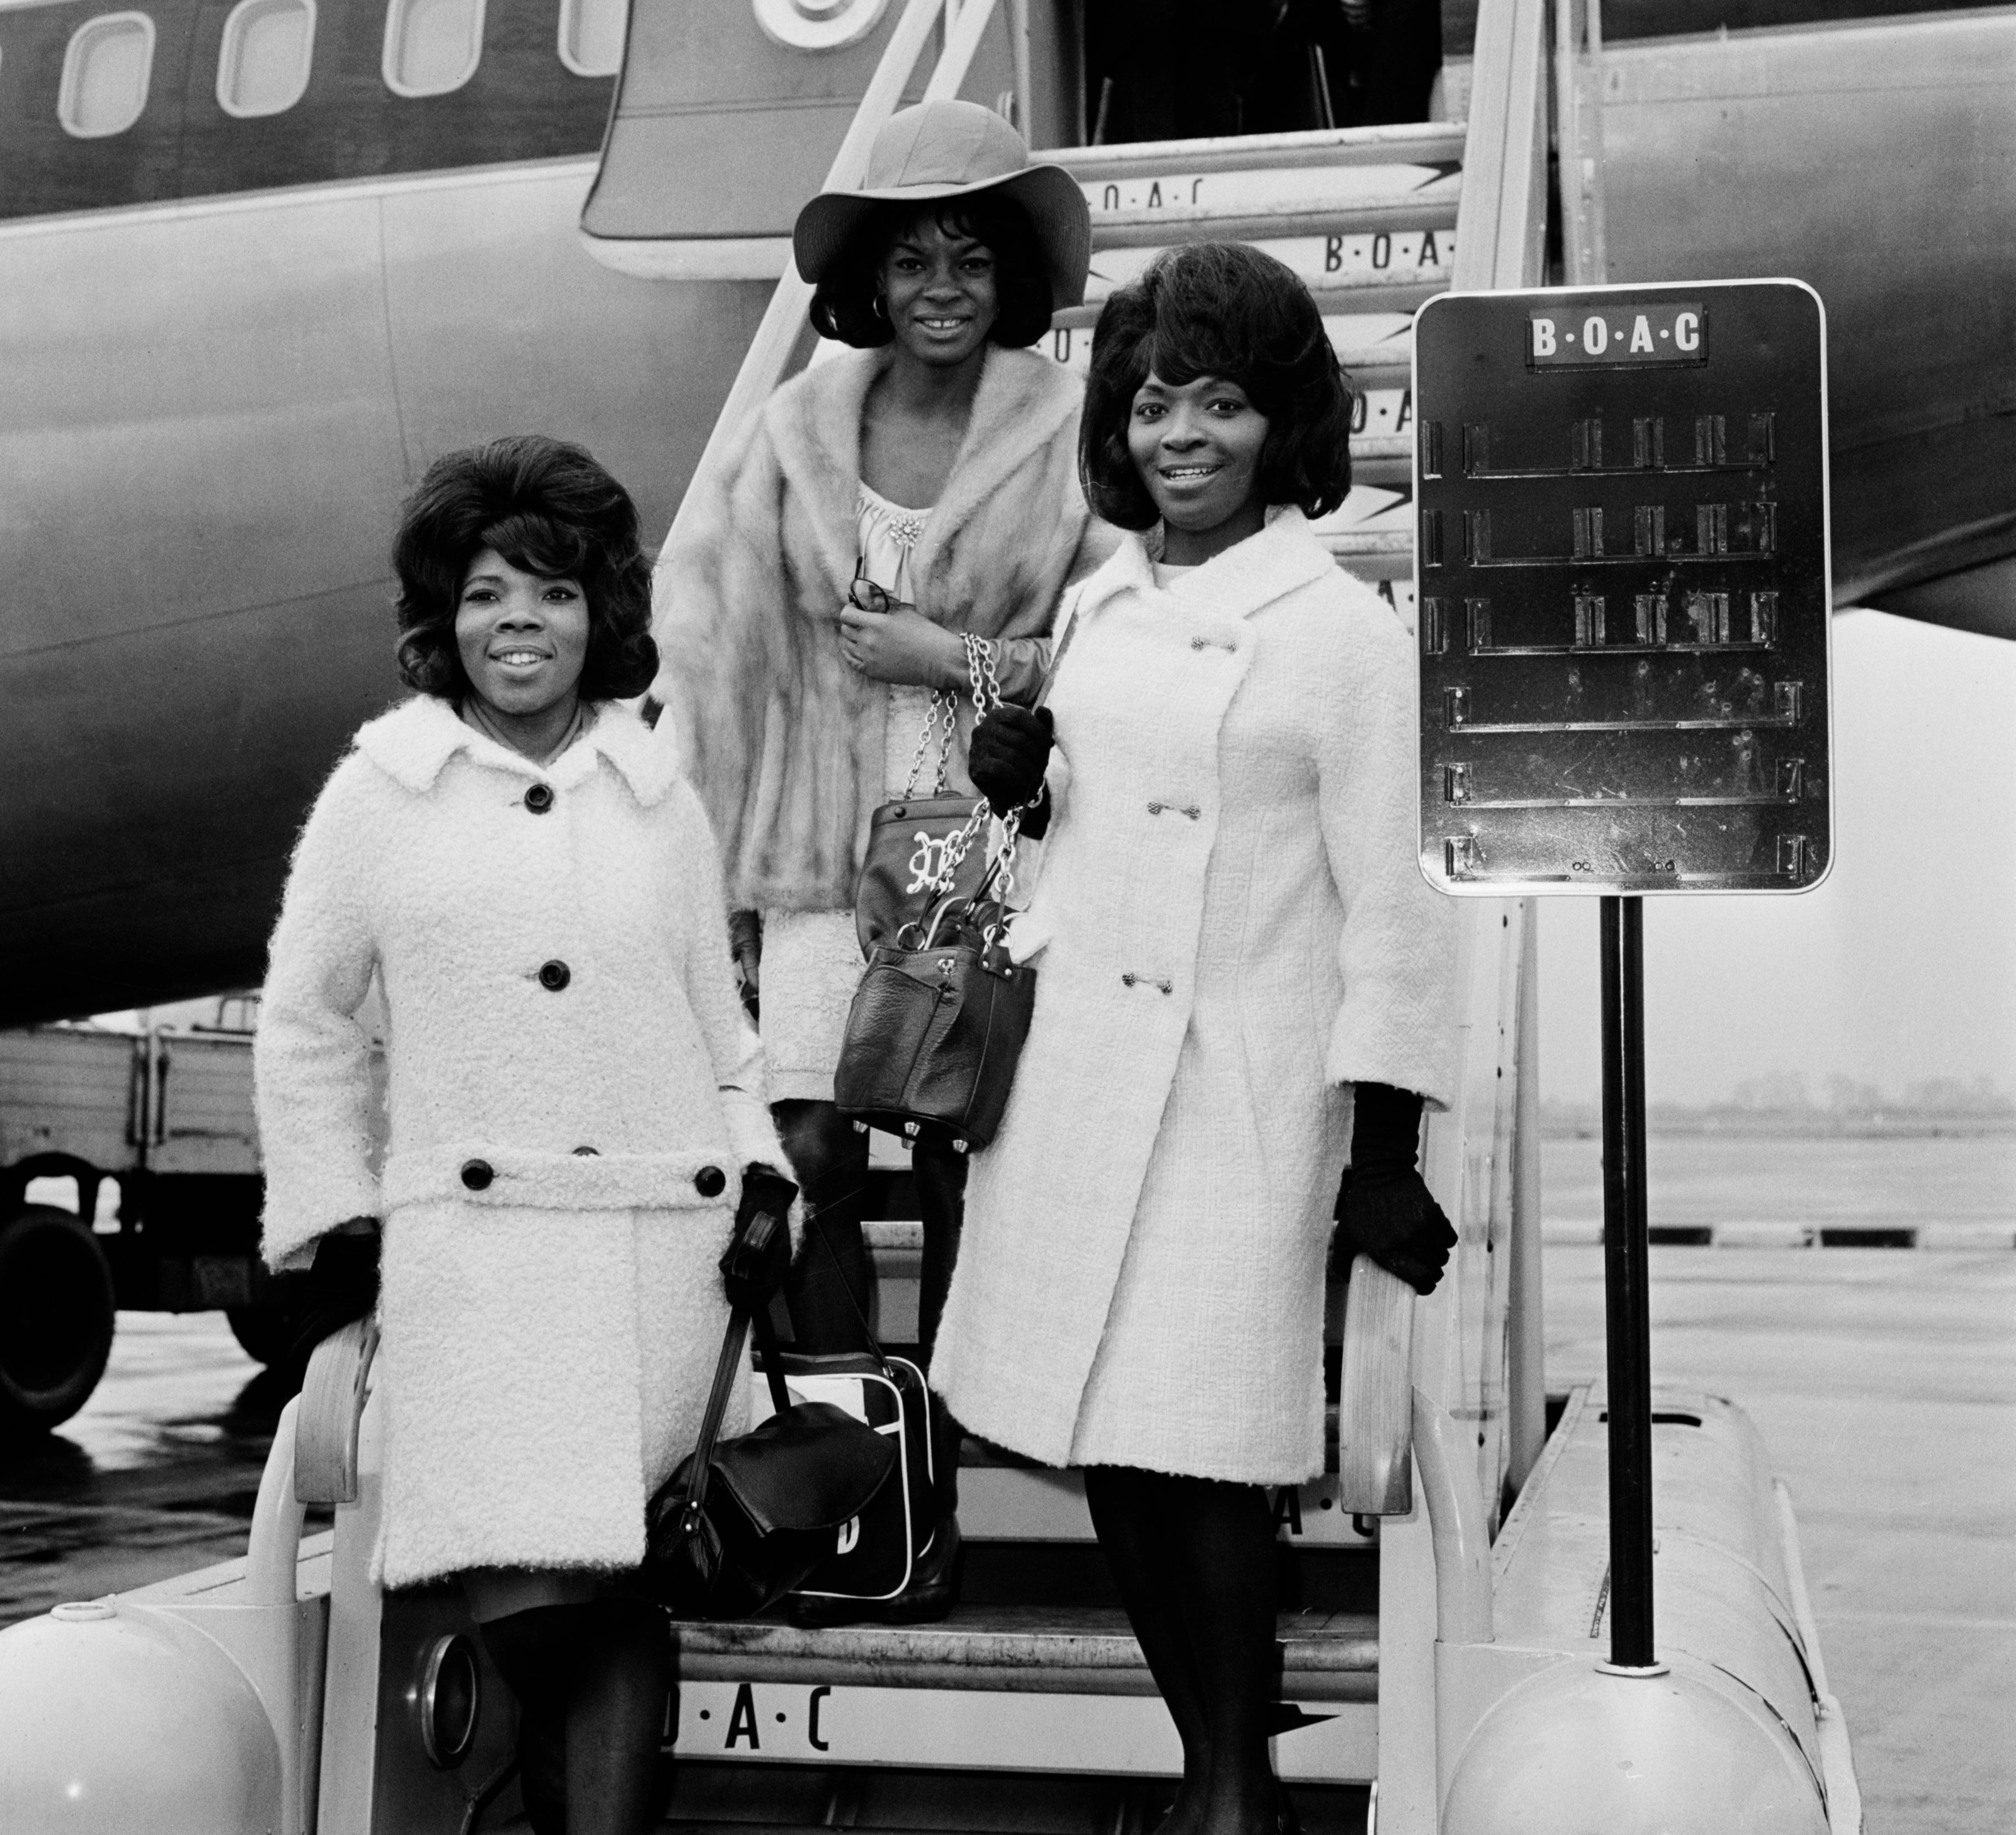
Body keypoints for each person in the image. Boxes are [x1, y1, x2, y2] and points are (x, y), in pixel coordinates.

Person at [939, 243, 1461, 1835]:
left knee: (1207, 1450)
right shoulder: (1099, 602)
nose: (1183, 436)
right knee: (1108, 1438)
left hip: (1238, 1089)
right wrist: (1019, 774)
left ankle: (1235, 1783)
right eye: (1156, 401)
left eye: (1223, 404)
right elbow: (1076, 840)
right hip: (1083, 1084)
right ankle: (1200, 1756)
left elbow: (1395, 905)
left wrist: (1384, 1148)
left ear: (1282, 424)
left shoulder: (1340, 631)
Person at [253, 436, 792, 1835]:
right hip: (479, 1277)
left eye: (552, 594)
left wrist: (764, 1187)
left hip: (653, 1265)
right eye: (489, 593)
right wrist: (337, 1218)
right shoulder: (381, 794)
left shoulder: (657, 800)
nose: (519, 625)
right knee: (529, 1611)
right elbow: (304, 1020)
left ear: (598, 615)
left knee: (618, 1603)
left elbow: (726, 1038)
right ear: (444, 615)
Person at [653, 99, 1107, 1378]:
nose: (942, 288)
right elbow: (708, 642)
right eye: (912, 260)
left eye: (971, 259)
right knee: (809, 1147)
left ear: (1010, 276)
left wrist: (951, 658)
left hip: (991, 845)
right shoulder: (790, 426)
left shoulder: (1070, 431)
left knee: (966, 1149)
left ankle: (945, 1475)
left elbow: (1119, 647)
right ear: (871, 279)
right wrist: (714, 871)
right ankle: (857, 1477)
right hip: (819, 852)